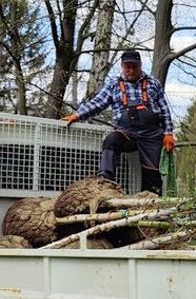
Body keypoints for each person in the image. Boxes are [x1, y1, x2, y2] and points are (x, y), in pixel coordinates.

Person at [62, 49, 175, 194]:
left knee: (152, 175)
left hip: (151, 135)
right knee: (111, 140)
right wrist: (77, 115)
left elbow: (164, 110)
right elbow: (98, 103)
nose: (131, 70)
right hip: (127, 132)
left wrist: (168, 133)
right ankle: (105, 181)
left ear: (140, 65)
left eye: (134, 66)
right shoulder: (114, 84)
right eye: (127, 66)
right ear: (122, 66)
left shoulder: (153, 83)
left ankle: (150, 204)